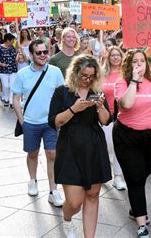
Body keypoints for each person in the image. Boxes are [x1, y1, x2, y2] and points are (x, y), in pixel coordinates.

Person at [48, 55, 112, 238]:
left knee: (92, 195)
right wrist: (74, 109)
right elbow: (54, 122)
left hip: (94, 146)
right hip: (70, 147)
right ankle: (67, 218)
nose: (87, 79)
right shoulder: (62, 92)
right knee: (75, 202)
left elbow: (106, 121)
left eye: (91, 76)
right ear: (75, 73)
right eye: (84, 75)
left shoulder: (97, 92)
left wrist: (100, 106)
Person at [113, 49, 151, 238]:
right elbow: (127, 104)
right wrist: (134, 81)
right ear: (128, 65)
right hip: (127, 136)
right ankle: (141, 223)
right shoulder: (121, 83)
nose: (139, 64)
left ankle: (135, 204)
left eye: (142, 61)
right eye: (134, 61)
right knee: (136, 178)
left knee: (144, 173)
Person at [11, 39, 65, 207]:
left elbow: (62, 96)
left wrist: (60, 119)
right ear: (31, 54)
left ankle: (53, 190)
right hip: (30, 122)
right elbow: (15, 99)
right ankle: (32, 180)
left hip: (50, 122)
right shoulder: (22, 74)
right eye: (39, 53)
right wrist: (21, 120)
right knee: (33, 153)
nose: (43, 55)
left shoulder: (55, 72)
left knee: (52, 154)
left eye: (45, 52)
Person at [101, 46, 127, 191]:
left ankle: (118, 177)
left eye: (118, 55)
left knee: (119, 147)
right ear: (108, 58)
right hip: (106, 116)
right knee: (106, 146)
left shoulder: (126, 74)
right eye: (113, 55)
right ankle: (101, 171)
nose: (116, 57)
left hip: (123, 116)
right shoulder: (102, 74)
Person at [0, 33, 18, 107]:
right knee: (6, 85)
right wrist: (1, 64)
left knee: (12, 85)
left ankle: (11, 101)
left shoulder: (12, 48)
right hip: (3, 71)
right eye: (12, 41)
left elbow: (14, 57)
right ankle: (6, 98)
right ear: (7, 40)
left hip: (13, 69)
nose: (13, 42)